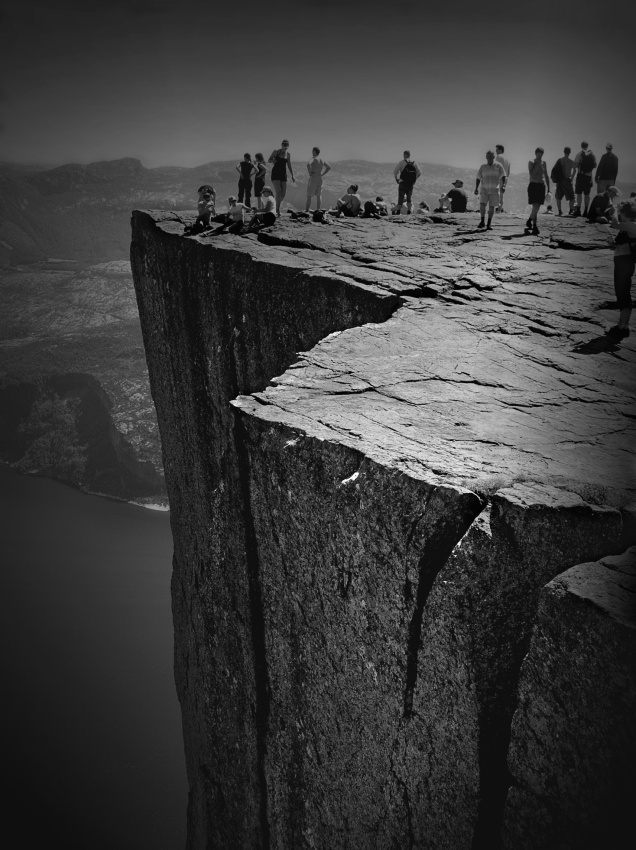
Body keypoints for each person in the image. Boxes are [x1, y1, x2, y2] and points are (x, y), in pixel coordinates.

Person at [607, 198, 636, 340]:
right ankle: (623, 326)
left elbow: (614, 224)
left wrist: (615, 210)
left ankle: (622, 327)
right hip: (621, 263)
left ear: (625, 213)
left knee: (623, 294)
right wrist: (611, 244)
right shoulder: (625, 227)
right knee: (621, 293)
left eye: (621, 212)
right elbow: (617, 246)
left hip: (625, 263)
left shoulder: (633, 225)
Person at [475, 150, 507, 229]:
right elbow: (478, 177)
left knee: (491, 207)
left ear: (493, 157)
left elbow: (504, 176)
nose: (489, 158)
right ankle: (482, 221)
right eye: (488, 156)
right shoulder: (483, 167)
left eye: (491, 156)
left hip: (494, 189)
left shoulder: (498, 166)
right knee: (482, 205)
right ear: (486, 157)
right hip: (484, 189)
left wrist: (504, 186)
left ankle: (489, 224)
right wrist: (476, 188)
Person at [525, 147, 550, 236]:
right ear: (535, 153)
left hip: (541, 186)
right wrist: (537, 164)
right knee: (535, 206)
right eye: (538, 153)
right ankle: (535, 226)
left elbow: (546, 175)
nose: (540, 155)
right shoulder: (531, 162)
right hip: (533, 185)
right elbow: (531, 174)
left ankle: (529, 220)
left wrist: (549, 188)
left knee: (538, 207)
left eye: (541, 154)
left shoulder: (544, 163)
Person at [268, 139, 295, 215]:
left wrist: (292, 175)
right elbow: (269, 160)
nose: (285, 147)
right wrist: (273, 160)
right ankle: (277, 210)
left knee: (283, 193)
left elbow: (289, 165)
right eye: (284, 145)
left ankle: (275, 206)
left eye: (287, 146)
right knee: (278, 191)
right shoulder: (276, 152)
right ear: (282, 145)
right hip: (275, 173)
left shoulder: (288, 154)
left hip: (283, 174)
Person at [573, 141, 597, 217]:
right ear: (587, 146)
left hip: (581, 175)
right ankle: (586, 211)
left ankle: (578, 210)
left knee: (579, 194)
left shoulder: (579, 154)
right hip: (588, 177)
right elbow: (595, 165)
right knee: (587, 194)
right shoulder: (592, 155)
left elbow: (575, 165)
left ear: (581, 146)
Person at [551, 147, 576, 216]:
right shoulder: (571, 161)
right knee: (571, 197)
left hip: (560, 180)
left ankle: (560, 211)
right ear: (569, 152)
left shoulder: (560, 160)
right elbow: (575, 170)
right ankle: (571, 211)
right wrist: (572, 178)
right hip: (567, 180)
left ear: (564, 152)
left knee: (558, 197)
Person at [305, 147, 331, 212]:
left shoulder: (313, 158)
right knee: (319, 195)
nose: (312, 152)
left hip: (313, 177)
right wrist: (322, 174)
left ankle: (307, 210)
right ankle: (318, 209)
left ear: (314, 151)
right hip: (320, 177)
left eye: (312, 151)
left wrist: (309, 172)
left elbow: (308, 164)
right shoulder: (322, 159)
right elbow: (329, 167)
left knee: (309, 195)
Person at [495, 144, 511, 212]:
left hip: (499, 177)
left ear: (500, 150)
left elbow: (495, 167)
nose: (496, 151)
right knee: (501, 195)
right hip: (505, 178)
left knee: (495, 193)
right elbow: (508, 171)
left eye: (497, 150)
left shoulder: (498, 157)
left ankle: (495, 209)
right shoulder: (508, 159)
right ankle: (499, 209)